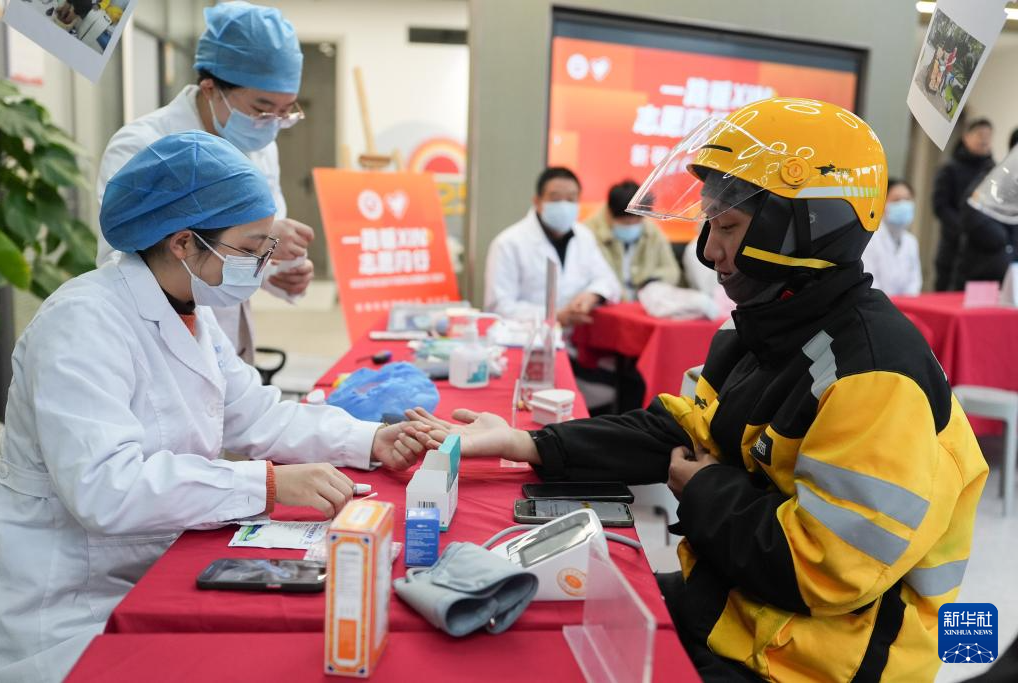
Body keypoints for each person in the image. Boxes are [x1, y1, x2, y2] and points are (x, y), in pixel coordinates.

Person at [407, 99, 987, 681]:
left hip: (813, 662)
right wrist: (526, 442)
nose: (709, 250)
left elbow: (821, 570)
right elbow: (679, 429)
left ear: (804, 228)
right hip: (740, 610)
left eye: (727, 227)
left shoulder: (873, 377)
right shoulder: (766, 328)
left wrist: (704, 486)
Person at [0, 132, 433, 682]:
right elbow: (105, 488)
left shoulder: (187, 309)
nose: (261, 265)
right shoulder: (82, 323)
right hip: (70, 598)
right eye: (250, 250)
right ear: (183, 243)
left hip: (156, 558)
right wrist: (267, 484)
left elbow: (255, 414)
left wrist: (368, 439)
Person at [96, 1, 315, 363]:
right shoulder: (143, 146)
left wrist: (272, 270)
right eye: (262, 109)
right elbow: (118, 260)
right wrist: (250, 238)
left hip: (229, 342)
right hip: (160, 342)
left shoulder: (260, 146)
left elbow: (240, 254)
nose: (273, 123)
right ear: (211, 88)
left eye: (285, 111)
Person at [484, 167, 620, 326]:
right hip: (528, 335)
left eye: (571, 199)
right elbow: (499, 306)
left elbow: (609, 281)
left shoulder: (584, 236)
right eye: (555, 199)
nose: (564, 205)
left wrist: (592, 295)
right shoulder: (508, 243)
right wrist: (554, 316)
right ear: (537, 202)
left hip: (578, 335)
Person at [585, 180, 680, 301]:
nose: (632, 226)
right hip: (607, 303)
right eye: (626, 223)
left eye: (637, 221)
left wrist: (652, 282)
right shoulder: (588, 234)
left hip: (643, 303)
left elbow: (671, 270)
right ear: (609, 213)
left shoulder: (652, 232)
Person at [933, 117, 995, 291]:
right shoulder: (950, 169)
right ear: (966, 137)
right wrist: (965, 228)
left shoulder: (993, 170)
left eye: (988, 136)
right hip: (953, 247)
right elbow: (940, 206)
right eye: (980, 134)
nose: (984, 140)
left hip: (982, 253)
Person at [957, 146, 1018, 286]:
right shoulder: (993, 178)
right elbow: (971, 211)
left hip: (1011, 279)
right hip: (983, 276)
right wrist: (1004, 239)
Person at [861, 178, 922, 296]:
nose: (903, 204)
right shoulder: (870, 239)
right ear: (882, 203)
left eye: (907, 199)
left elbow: (914, 282)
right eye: (897, 200)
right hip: (877, 304)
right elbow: (869, 281)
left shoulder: (911, 242)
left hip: (906, 305)